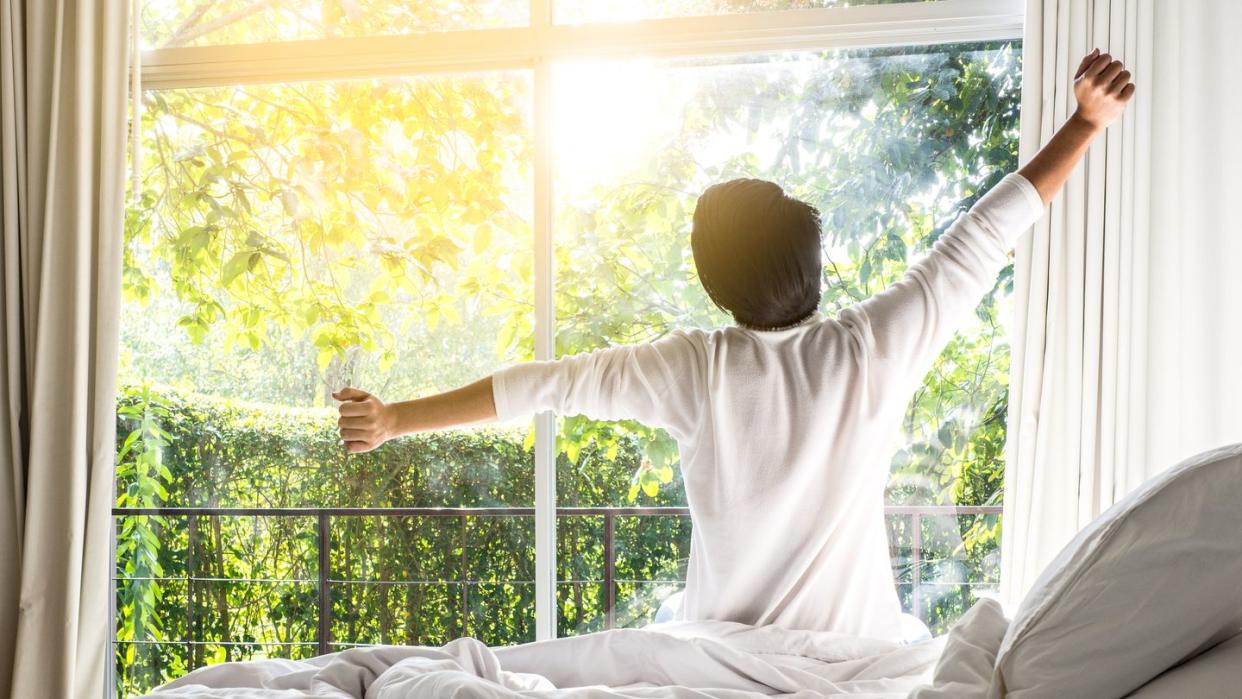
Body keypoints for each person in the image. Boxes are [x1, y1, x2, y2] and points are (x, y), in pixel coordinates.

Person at [333, 49, 1135, 642]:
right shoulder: (873, 347)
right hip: (857, 663)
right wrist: (1085, 121)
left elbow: (540, 384)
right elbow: (985, 234)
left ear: (718, 288)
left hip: (716, 664)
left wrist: (398, 417)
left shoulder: (693, 367)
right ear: (815, 262)